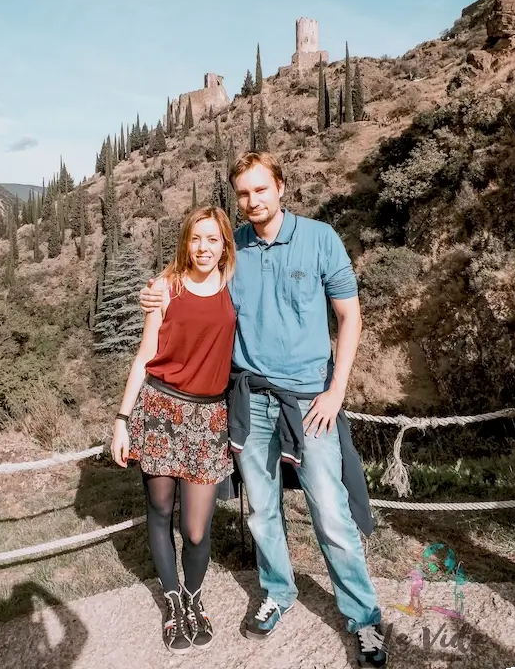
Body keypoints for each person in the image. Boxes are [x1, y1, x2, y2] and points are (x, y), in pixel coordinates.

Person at [140, 152, 388, 667]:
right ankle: (279, 592)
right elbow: (195, 275)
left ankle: (363, 617)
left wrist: (337, 389)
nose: (253, 201)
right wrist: (160, 288)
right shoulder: (235, 250)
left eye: (261, 190)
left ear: (280, 187)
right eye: (244, 194)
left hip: (309, 401)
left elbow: (350, 316)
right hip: (250, 403)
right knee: (262, 511)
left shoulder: (320, 239)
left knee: (330, 510)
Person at [111, 206, 236, 654]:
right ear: (186, 241)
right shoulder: (166, 288)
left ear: (225, 244)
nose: (204, 248)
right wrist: (123, 420)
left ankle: (194, 596)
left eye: (213, 240)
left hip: (208, 420)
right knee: (160, 513)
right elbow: (146, 355)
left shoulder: (234, 286)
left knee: (197, 528)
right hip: (161, 411)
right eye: (196, 239)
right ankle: (173, 601)